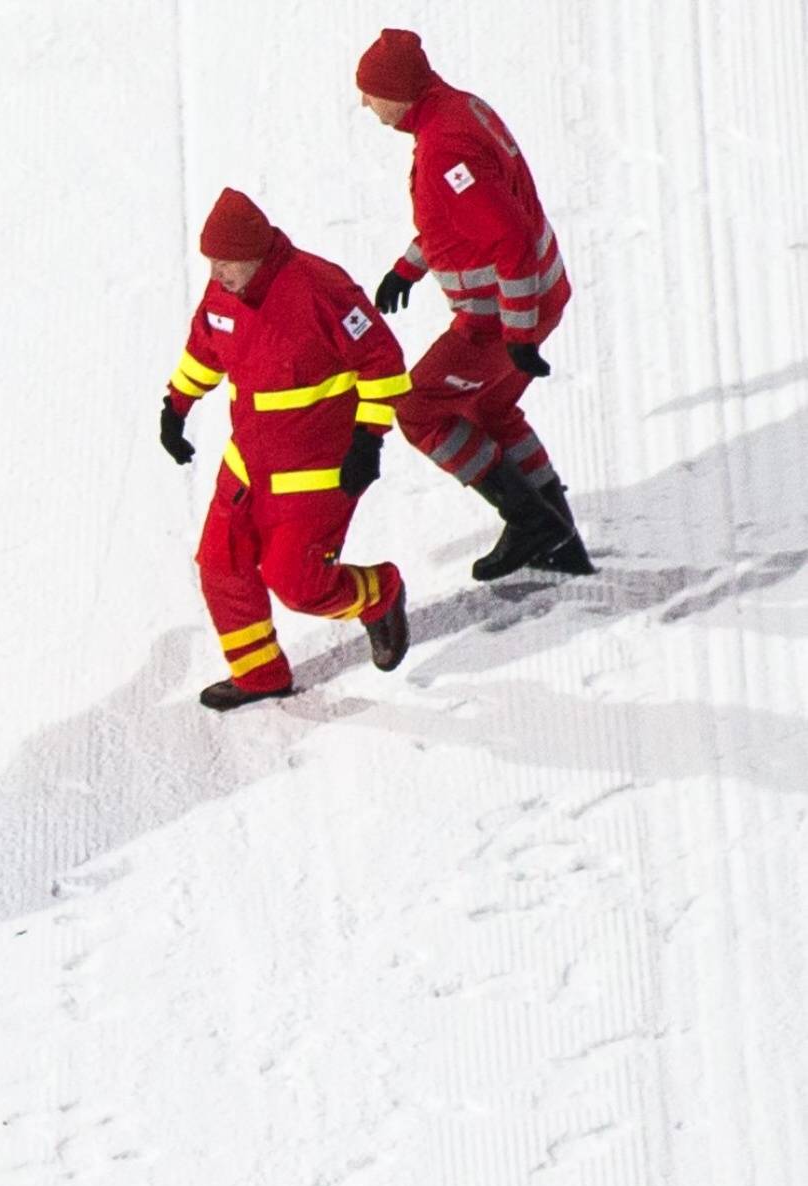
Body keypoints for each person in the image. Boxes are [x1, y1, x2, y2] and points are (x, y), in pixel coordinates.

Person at [158, 189, 413, 712]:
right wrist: (176, 406)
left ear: (258, 254)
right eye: (211, 263)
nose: (218, 274)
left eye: (226, 263)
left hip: (318, 474)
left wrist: (369, 438)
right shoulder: (222, 294)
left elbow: (382, 361)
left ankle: (380, 594)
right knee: (220, 566)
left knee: (298, 585)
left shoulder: (321, 288)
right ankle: (260, 676)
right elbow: (206, 349)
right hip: (247, 467)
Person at [356, 27, 593, 580]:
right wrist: (408, 268)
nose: (365, 103)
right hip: (538, 296)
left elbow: (507, 241)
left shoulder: (444, 149)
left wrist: (517, 336)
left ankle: (530, 520)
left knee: (418, 410)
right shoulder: (457, 111)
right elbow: (459, 223)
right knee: (491, 412)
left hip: (498, 321)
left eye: (371, 91)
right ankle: (561, 541)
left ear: (400, 90)